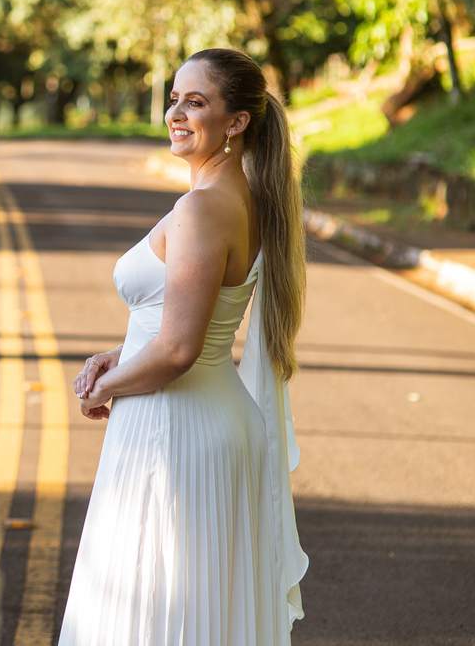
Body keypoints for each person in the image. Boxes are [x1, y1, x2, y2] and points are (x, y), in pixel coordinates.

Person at [58, 48, 309, 645]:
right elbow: (186, 326)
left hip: (176, 428)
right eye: (174, 98)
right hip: (206, 417)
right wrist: (121, 357)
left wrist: (101, 388)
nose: (175, 112)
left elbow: (176, 351)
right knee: (193, 612)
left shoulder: (201, 209)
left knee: (156, 610)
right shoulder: (245, 199)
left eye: (195, 102)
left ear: (237, 121)